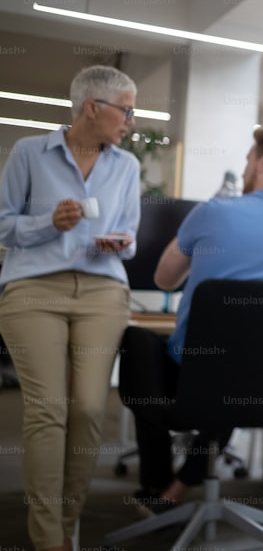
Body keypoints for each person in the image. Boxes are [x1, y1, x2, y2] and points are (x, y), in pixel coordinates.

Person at [120, 124, 263, 516]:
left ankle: (157, 482)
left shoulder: (214, 211)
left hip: (192, 380)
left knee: (139, 342)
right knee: (241, 362)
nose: (247, 168)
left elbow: (164, 279)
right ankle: (177, 489)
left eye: (249, 160)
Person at [0, 65, 140, 551]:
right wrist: (47, 223)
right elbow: (3, 225)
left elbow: (130, 238)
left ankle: (67, 522)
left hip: (103, 291)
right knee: (48, 409)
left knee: (87, 409)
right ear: (92, 108)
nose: (131, 121)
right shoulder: (28, 153)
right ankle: (49, 541)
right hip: (33, 288)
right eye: (126, 109)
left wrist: (120, 242)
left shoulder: (126, 166)